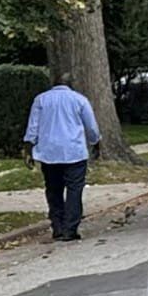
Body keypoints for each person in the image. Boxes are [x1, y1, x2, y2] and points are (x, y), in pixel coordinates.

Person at [24, 71, 100, 241]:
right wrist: (95, 142)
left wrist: (29, 148)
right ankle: (70, 228)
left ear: (54, 82)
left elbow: (33, 127)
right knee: (74, 190)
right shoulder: (79, 100)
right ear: (70, 84)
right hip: (74, 152)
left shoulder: (41, 100)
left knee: (53, 190)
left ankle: (57, 225)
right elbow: (91, 127)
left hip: (48, 153)